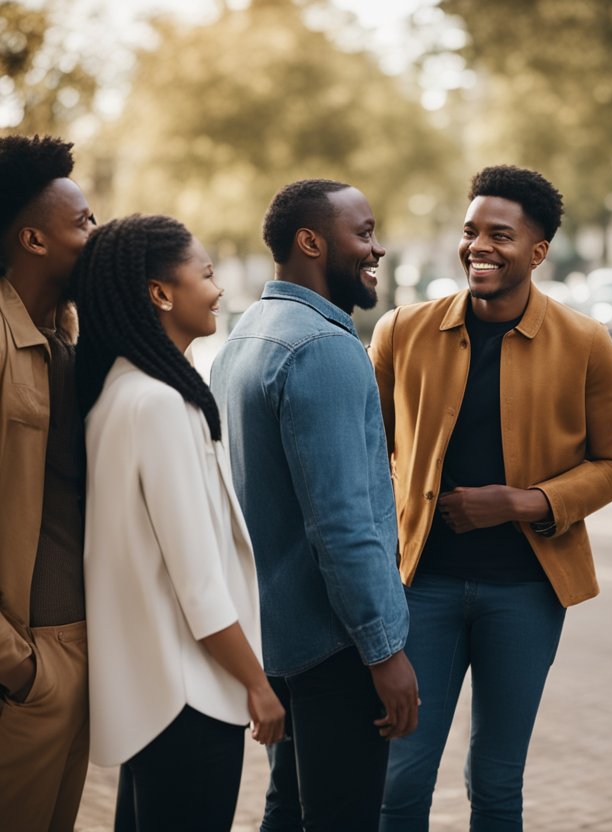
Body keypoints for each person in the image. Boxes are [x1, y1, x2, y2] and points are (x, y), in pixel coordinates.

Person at [372, 165, 612, 830]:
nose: (478, 246)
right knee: (400, 780)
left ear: (537, 251)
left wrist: (524, 502)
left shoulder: (586, 344)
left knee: (495, 783)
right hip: (419, 588)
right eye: (470, 232)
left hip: (526, 592)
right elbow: (368, 459)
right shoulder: (400, 332)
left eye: (500, 234)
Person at [210, 179, 417, 831]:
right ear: (310, 241)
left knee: (289, 809)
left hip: (277, 635)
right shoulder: (324, 348)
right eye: (363, 233)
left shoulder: (246, 338)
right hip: (336, 646)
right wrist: (385, 654)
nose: (376, 249)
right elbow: (342, 524)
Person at [72, 214, 285, 830]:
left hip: (151, 699)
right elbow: (197, 581)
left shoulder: (117, 392)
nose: (218, 289)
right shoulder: (160, 404)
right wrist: (257, 684)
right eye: (208, 272)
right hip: (188, 697)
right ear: (161, 292)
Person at [0, 134, 95, 832]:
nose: (96, 232)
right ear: (33, 239)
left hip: (75, 650)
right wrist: (18, 666)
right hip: (25, 669)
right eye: (83, 222)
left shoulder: (65, 339)